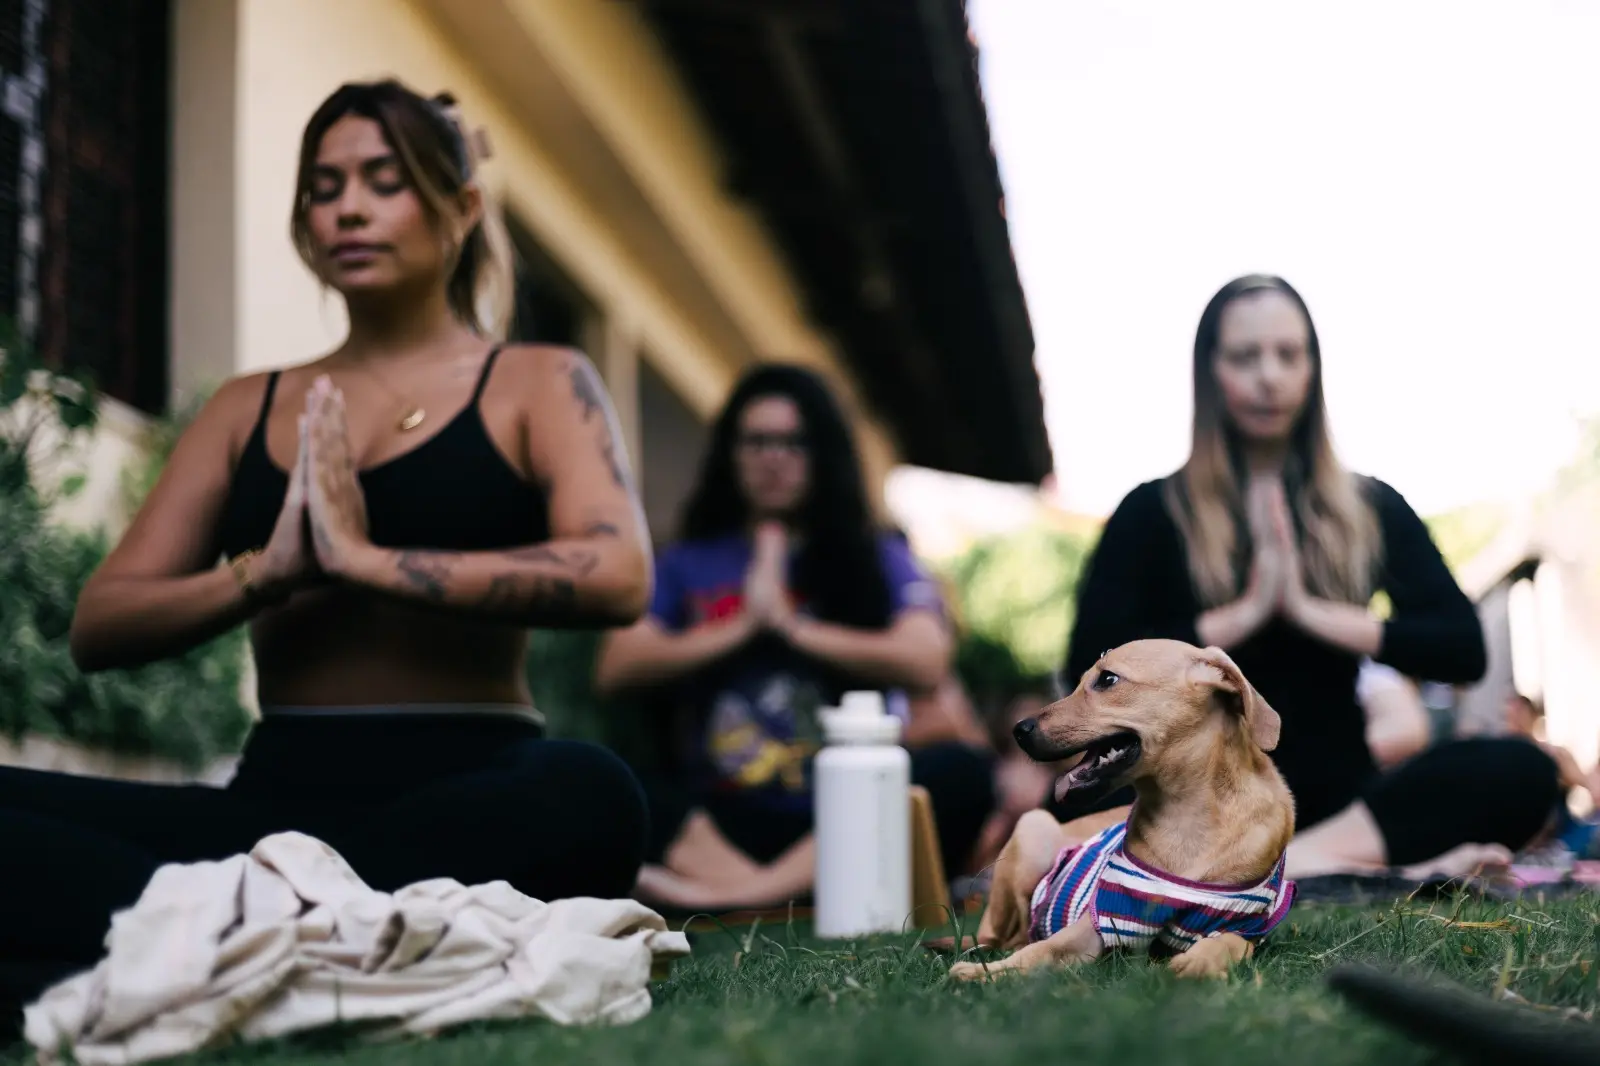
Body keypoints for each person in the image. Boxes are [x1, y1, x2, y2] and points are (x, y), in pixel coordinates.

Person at [0, 80, 653, 1018]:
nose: (346, 206)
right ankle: (296, 940)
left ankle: (203, 943)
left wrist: (366, 561)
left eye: (383, 181)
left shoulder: (538, 384)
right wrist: (264, 574)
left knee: (594, 791)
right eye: (323, 185)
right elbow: (102, 624)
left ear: (460, 209)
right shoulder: (248, 406)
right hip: (273, 816)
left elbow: (617, 571)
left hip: (473, 792)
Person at [1053, 274, 1560, 881]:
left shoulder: (1370, 506)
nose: (1269, 375)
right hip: (1191, 800)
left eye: (1288, 354)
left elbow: (1461, 647)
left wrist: (1316, 613)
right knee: (1074, 804)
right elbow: (1086, 659)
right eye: (1245, 356)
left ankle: (1290, 861)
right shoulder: (1152, 511)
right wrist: (1245, 614)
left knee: (1522, 770)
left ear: (1311, 368)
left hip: (1332, 797)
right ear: (1210, 372)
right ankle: (1314, 867)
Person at [594, 363, 995, 910]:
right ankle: (785, 891)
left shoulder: (877, 555)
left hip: (844, 809)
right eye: (757, 441)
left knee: (961, 772)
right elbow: (617, 665)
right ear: (731, 453)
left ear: (822, 454)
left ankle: (743, 896)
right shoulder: (688, 561)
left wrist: (792, 626)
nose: (773, 458)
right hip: (717, 818)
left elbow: (925, 658)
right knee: (607, 780)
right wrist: (743, 625)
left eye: (793, 442)